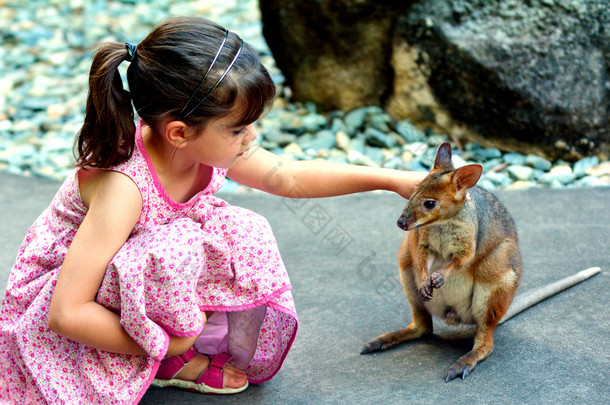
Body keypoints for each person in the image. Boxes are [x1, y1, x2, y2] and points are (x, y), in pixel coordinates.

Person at [0, 16, 426, 404]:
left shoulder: (201, 145)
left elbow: (289, 178)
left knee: (239, 228)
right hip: (66, 297)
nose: (250, 137)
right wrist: (171, 344)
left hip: (134, 270)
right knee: (178, 245)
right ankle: (166, 358)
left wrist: (388, 179)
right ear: (180, 132)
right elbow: (66, 313)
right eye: (239, 128)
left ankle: (171, 336)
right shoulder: (123, 188)